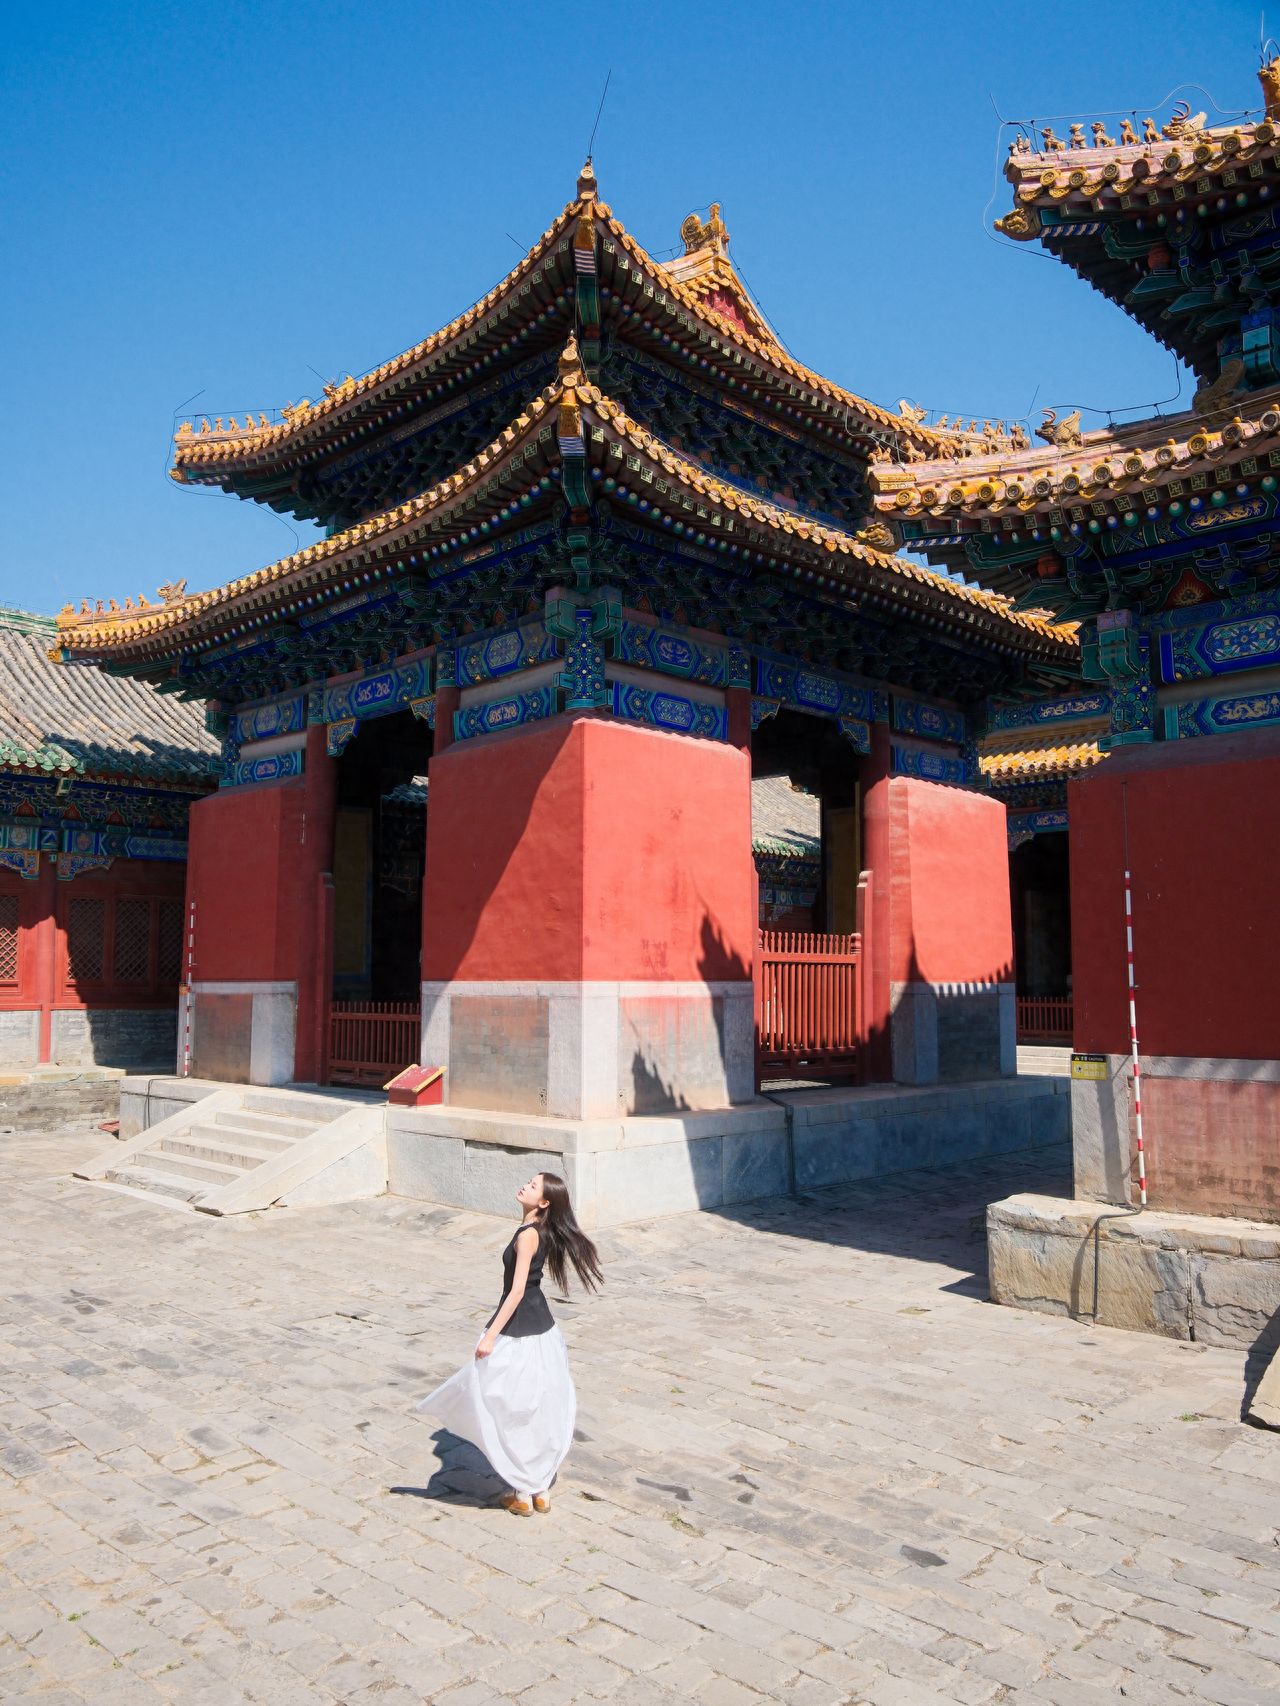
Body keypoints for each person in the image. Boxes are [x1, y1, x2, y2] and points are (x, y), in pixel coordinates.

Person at [416, 1171, 602, 1515]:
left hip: (520, 1329)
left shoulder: (529, 1235)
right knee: (531, 1403)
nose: (525, 1186)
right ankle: (538, 1489)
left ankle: (523, 1491)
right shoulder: (539, 1230)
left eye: (533, 1187)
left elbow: (516, 1291)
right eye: (529, 1182)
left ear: (544, 1202)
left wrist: (489, 1335)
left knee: (508, 1406)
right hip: (541, 1327)